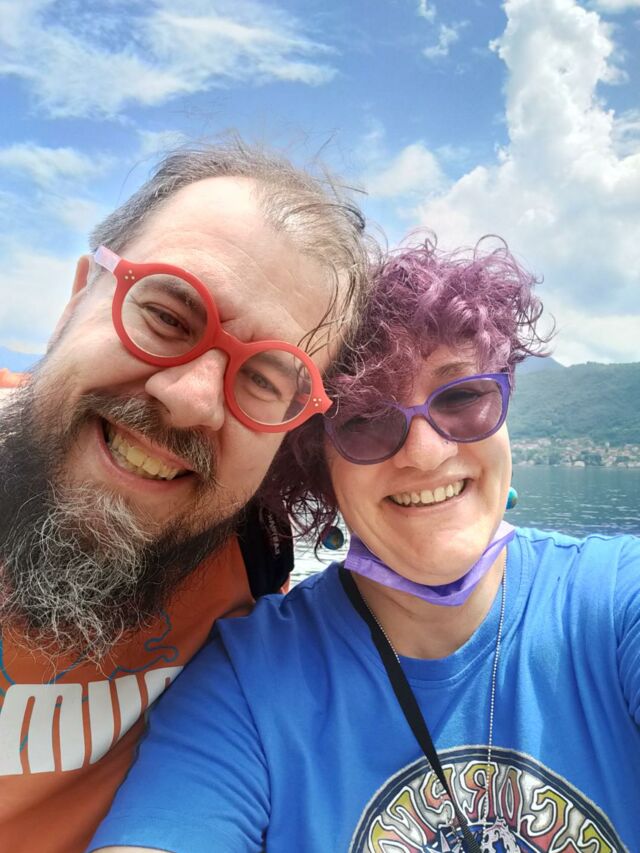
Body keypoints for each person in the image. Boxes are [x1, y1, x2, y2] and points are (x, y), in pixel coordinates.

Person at [90, 238, 640, 853]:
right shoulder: (247, 685)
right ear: (320, 469)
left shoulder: (617, 599)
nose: (426, 453)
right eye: (367, 421)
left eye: (462, 397)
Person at [0, 139, 371, 853]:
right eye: (169, 317)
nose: (192, 399)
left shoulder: (250, 574)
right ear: (76, 300)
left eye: (262, 378)